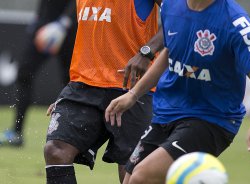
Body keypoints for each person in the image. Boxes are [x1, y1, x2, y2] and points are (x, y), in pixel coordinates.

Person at [105, 0, 250, 183]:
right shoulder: (171, 6)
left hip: (212, 119)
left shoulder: (236, 23)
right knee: (129, 180)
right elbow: (170, 52)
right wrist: (133, 94)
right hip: (167, 112)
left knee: (142, 176)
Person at [43, 0, 163, 183]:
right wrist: (69, 91)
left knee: (133, 170)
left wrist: (146, 52)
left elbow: (180, 19)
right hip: (83, 84)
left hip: (133, 86)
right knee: (56, 151)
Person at [0, 0, 77, 147]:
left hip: (68, 29)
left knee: (71, 81)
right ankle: (16, 133)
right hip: (44, 25)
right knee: (24, 73)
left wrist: (65, 21)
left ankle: (69, 136)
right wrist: (39, 17)